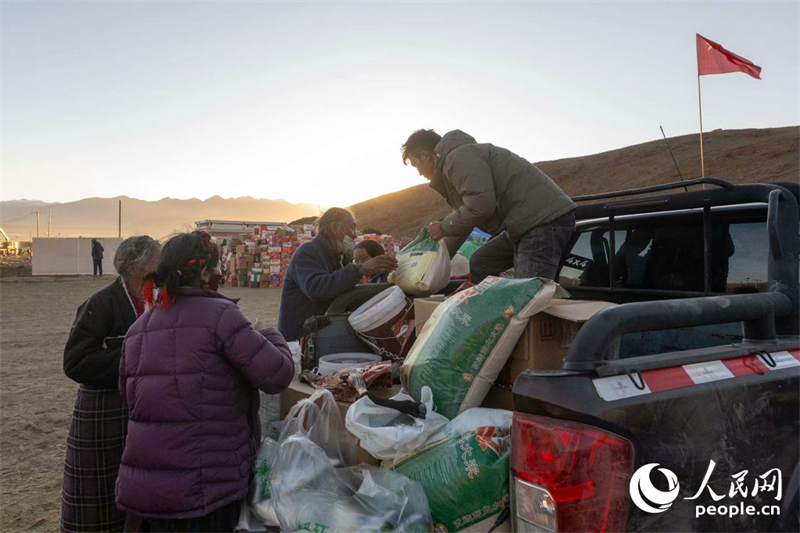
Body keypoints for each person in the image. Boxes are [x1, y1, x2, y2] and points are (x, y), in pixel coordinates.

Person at [115, 231, 294, 532]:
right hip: (206, 491)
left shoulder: (138, 328)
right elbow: (277, 374)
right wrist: (269, 334)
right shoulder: (221, 315)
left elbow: (128, 396)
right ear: (202, 271)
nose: (220, 274)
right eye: (216, 267)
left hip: (147, 494)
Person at [61, 235, 161, 533]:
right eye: (156, 258)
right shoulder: (101, 304)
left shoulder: (156, 298)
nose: (161, 265)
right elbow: (75, 362)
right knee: (102, 495)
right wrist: (136, 353)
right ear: (133, 266)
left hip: (140, 412)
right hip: (104, 415)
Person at [402, 129, 577, 283]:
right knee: (481, 262)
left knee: (527, 295)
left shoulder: (459, 157)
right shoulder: (456, 161)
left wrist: (443, 227)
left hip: (541, 222)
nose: (418, 172)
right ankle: (491, 311)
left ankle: (521, 317)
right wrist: (433, 261)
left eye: (415, 164)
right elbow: (466, 220)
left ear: (425, 156)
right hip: (522, 224)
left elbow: (481, 206)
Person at [278, 208, 397, 342]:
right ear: (334, 228)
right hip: (299, 339)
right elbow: (316, 288)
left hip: (318, 334)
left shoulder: (337, 256)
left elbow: (341, 291)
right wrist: (360, 270)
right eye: (351, 227)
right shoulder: (308, 252)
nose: (354, 235)